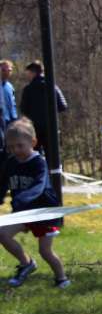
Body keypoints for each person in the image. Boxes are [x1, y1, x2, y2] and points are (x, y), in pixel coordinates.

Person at [0, 118, 69, 289]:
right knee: (2, 233)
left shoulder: (39, 163)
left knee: (45, 251)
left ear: (33, 142)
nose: (15, 150)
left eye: (20, 146)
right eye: (11, 147)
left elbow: (39, 186)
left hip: (43, 214)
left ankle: (61, 278)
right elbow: (2, 184)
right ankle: (26, 263)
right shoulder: (11, 163)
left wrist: (22, 199)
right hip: (23, 212)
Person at [19, 61, 67, 155]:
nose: (27, 76)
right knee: (53, 155)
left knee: (35, 154)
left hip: (35, 128)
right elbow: (63, 106)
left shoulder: (28, 89)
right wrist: (50, 112)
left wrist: (33, 114)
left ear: (33, 72)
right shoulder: (52, 86)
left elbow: (23, 109)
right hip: (51, 126)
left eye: (28, 73)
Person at [0, 60, 17, 130]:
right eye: (3, 70)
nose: (7, 72)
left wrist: (14, 118)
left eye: (9, 70)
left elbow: (13, 104)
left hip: (10, 122)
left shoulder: (10, 86)